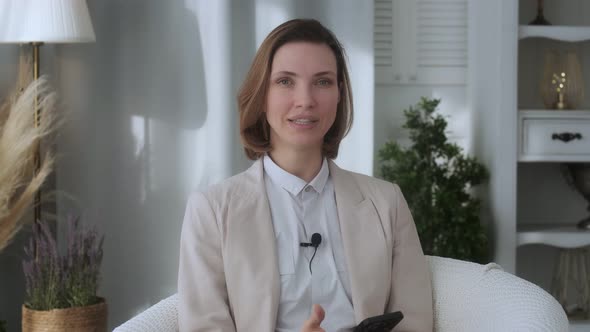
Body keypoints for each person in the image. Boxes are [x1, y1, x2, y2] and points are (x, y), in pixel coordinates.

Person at [178, 18, 433, 332]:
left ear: (340, 94)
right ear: (261, 95)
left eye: (323, 81)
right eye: (285, 81)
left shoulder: (387, 202)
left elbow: (415, 321)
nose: (305, 100)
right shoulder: (211, 210)